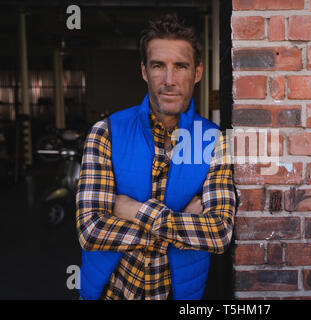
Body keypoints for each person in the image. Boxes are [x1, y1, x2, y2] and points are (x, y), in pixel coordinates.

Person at [75, 13, 236, 300]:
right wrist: (181, 224)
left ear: (197, 72)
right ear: (144, 71)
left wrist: (135, 211)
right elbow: (91, 229)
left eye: (181, 66)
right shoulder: (106, 133)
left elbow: (219, 233)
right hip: (110, 292)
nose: (169, 80)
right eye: (158, 66)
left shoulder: (215, 142)